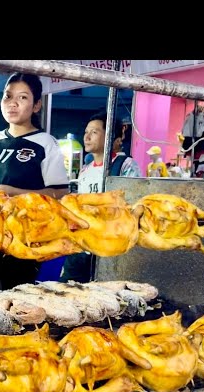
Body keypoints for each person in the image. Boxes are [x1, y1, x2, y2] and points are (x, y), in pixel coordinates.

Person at [0, 72, 70, 290]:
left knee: (19, 301)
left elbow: (60, 194)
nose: (12, 104)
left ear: (37, 105)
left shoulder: (46, 143)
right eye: (8, 97)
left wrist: (13, 192)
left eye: (22, 98)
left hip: (26, 239)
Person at [59, 111, 141, 283]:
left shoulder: (125, 165)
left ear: (112, 137)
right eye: (86, 132)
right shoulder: (85, 170)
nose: (87, 137)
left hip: (109, 249)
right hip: (82, 247)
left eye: (94, 132)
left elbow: (132, 207)